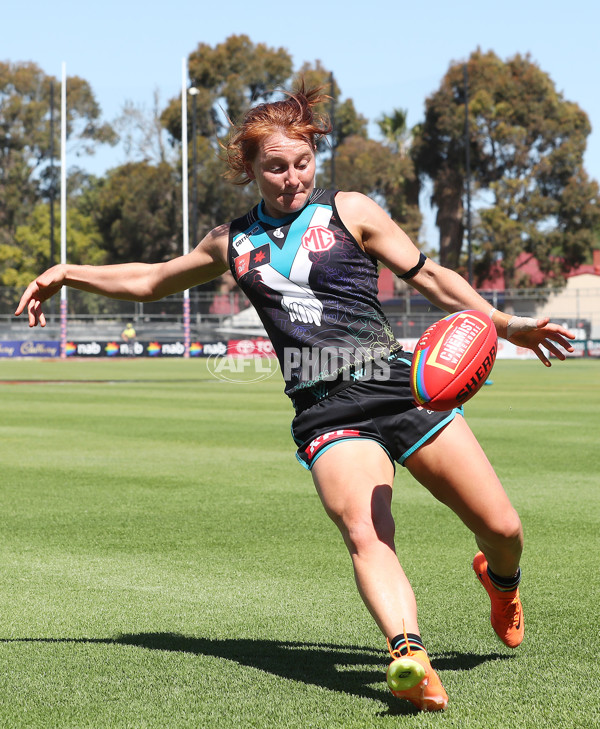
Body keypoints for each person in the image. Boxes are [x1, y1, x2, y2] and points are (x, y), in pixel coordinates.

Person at [15, 83, 575, 713]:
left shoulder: (352, 211)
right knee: (369, 533)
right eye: (275, 167)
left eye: (301, 163)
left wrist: (509, 326)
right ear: (249, 169)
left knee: (503, 528)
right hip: (325, 408)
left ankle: (500, 579)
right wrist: (66, 272)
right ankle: (408, 656)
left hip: (401, 384)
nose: (291, 179)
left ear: (315, 157)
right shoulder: (231, 243)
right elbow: (150, 280)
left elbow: (434, 279)